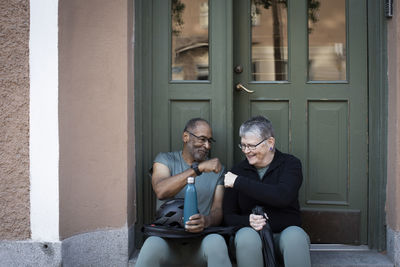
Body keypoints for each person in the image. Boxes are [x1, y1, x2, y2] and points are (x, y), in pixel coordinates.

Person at [136, 118, 232, 267]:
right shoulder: (165, 160)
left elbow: (217, 209)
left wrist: (206, 221)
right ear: (186, 137)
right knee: (151, 244)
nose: (207, 146)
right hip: (167, 241)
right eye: (202, 139)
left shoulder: (217, 170)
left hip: (201, 241)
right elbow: (161, 190)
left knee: (217, 242)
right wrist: (197, 169)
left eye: (209, 141)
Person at [223, 115, 311, 267]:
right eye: (243, 145)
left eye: (251, 146)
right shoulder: (238, 170)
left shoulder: (290, 164)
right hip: (250, 236)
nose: (246, 151)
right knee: (246, 237)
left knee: (295, 237)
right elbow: (228, 216)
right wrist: (247, 221)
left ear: (270, 142)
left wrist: (239, 182)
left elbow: (282, 196)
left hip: (283, 234)